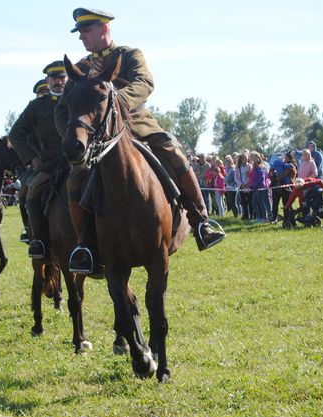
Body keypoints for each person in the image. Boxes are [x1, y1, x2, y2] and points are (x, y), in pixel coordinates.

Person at [55, 7, 224, 273]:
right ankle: (84, 245)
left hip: (138, 125)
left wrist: (114, 102)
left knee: (173, 151)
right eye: (80, 33)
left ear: (103, 28)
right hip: (100, 139)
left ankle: (200, 220)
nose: (82, 38)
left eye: (85, 31)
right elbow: (62, 109)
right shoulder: (81, 68)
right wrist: (75, 134)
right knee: (75, 178)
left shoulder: (130, 55)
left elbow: (145, 82)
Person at [9, 60, 68, 259]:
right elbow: (16, 133)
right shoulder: (37, 106)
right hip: (50, 164)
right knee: (31, 194)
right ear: (47, 80)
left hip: (80, 161)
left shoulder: (78, 98)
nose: (58, 81)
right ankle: (38, 241)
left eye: (62, 77)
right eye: (54, 78)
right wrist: (32, 159)